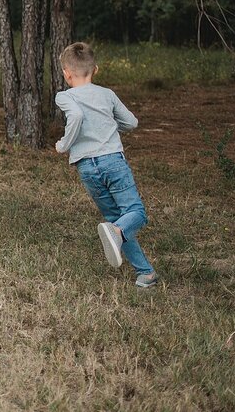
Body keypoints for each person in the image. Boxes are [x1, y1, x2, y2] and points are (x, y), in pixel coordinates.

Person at [55, 42, 158, 288]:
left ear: (66, 73)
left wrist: (63, 145)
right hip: (113, 161)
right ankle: (119, 235)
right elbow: (131, 122)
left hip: (87, 168)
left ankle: (146, 274)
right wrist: (110, 128)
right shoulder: (107, 94)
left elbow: (77, 117)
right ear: (96, 70)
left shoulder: (64, 96)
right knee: (136, 213)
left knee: (116, 219)